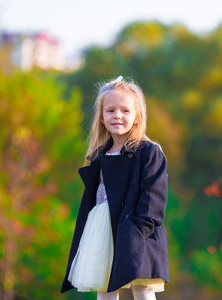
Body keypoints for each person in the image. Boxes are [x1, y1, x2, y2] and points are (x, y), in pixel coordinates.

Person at [61, 76, 169, 300]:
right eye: (110, 110)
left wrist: (135, 233)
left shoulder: (148, 152)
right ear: (101, 117)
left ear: (137, 116)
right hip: (102, 229)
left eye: (125, 110)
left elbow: (153, 201)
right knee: (106, 287)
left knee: (143, 289)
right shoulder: (100, 155)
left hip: (138, 232)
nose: (117, 116)